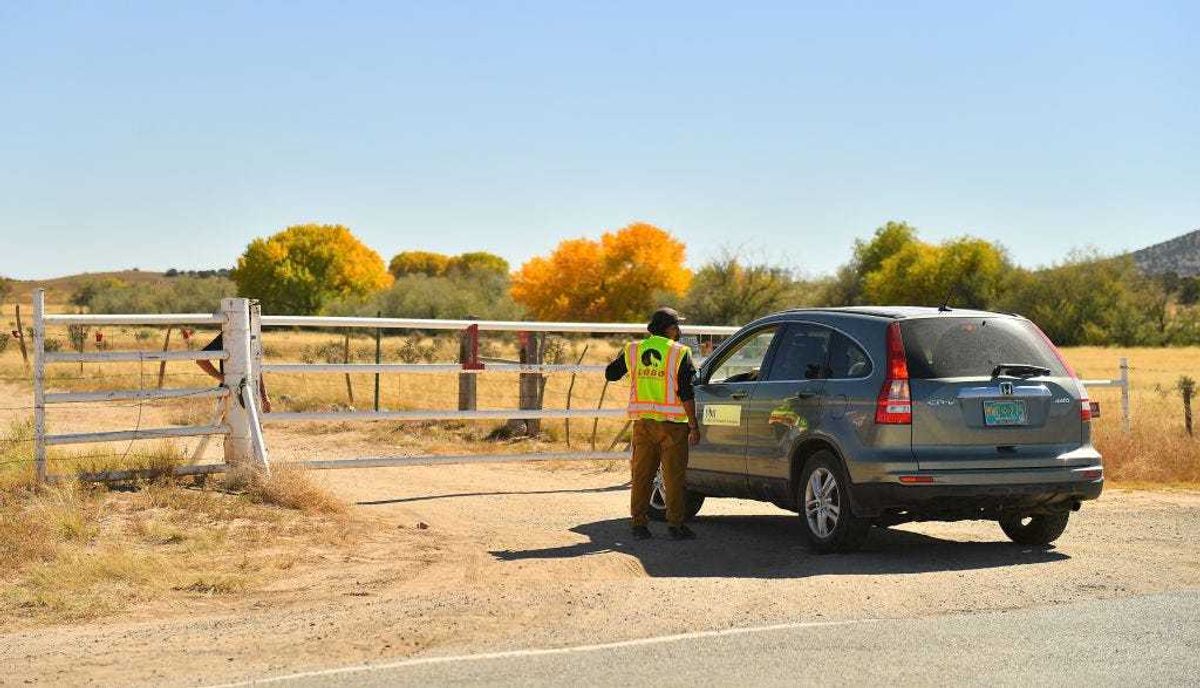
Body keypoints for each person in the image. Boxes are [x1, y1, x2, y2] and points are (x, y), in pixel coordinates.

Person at [605, 307, 701, 540]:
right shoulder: (680, 353)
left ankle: (639, 524)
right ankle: (675, 525)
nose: (679, 330)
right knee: (674, 477)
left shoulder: (634, 350)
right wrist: (693, 425)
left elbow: (611, 374)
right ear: (670, 329)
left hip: (643, 423)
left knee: (641, 475)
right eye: (677, 326)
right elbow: (686, 392)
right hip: (673, 426)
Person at [195, 333, 272, 412]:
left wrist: (264, 396)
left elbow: (256, 366)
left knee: (247, 423)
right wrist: (225, 379)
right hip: (230, 395)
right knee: (228, 423)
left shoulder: (254, 333)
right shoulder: (229, 334)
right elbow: (201, 360)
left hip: (251, 395)